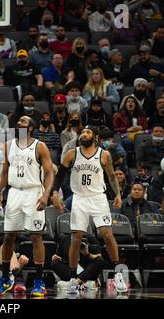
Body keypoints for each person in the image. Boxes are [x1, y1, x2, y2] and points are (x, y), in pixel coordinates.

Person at [52, 125, 128, 294]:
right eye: (83, 132)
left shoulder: (104, 154)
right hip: (79, 198)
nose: (84, 135)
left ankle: (117, 274)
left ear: (95, 137)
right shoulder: (72, 153)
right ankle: (72, 278)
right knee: (76, 238)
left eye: (88, 132)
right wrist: (55, 194)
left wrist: (117, 194)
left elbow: (111, 176)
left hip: (98, 198)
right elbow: (59, 176)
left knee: (107, 235)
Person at [0, 115, 54, 296]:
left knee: (36, 236)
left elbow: (50, 173)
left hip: (33, 192)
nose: (19, 123)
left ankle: (38, 281)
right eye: (19, 121)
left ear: (30, 128)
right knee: (8, 236)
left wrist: (46, 194)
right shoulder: (8, 145)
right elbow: (5, 171)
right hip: (14, 193)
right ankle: (4, 279)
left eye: (23, 122)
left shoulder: (39, 146)